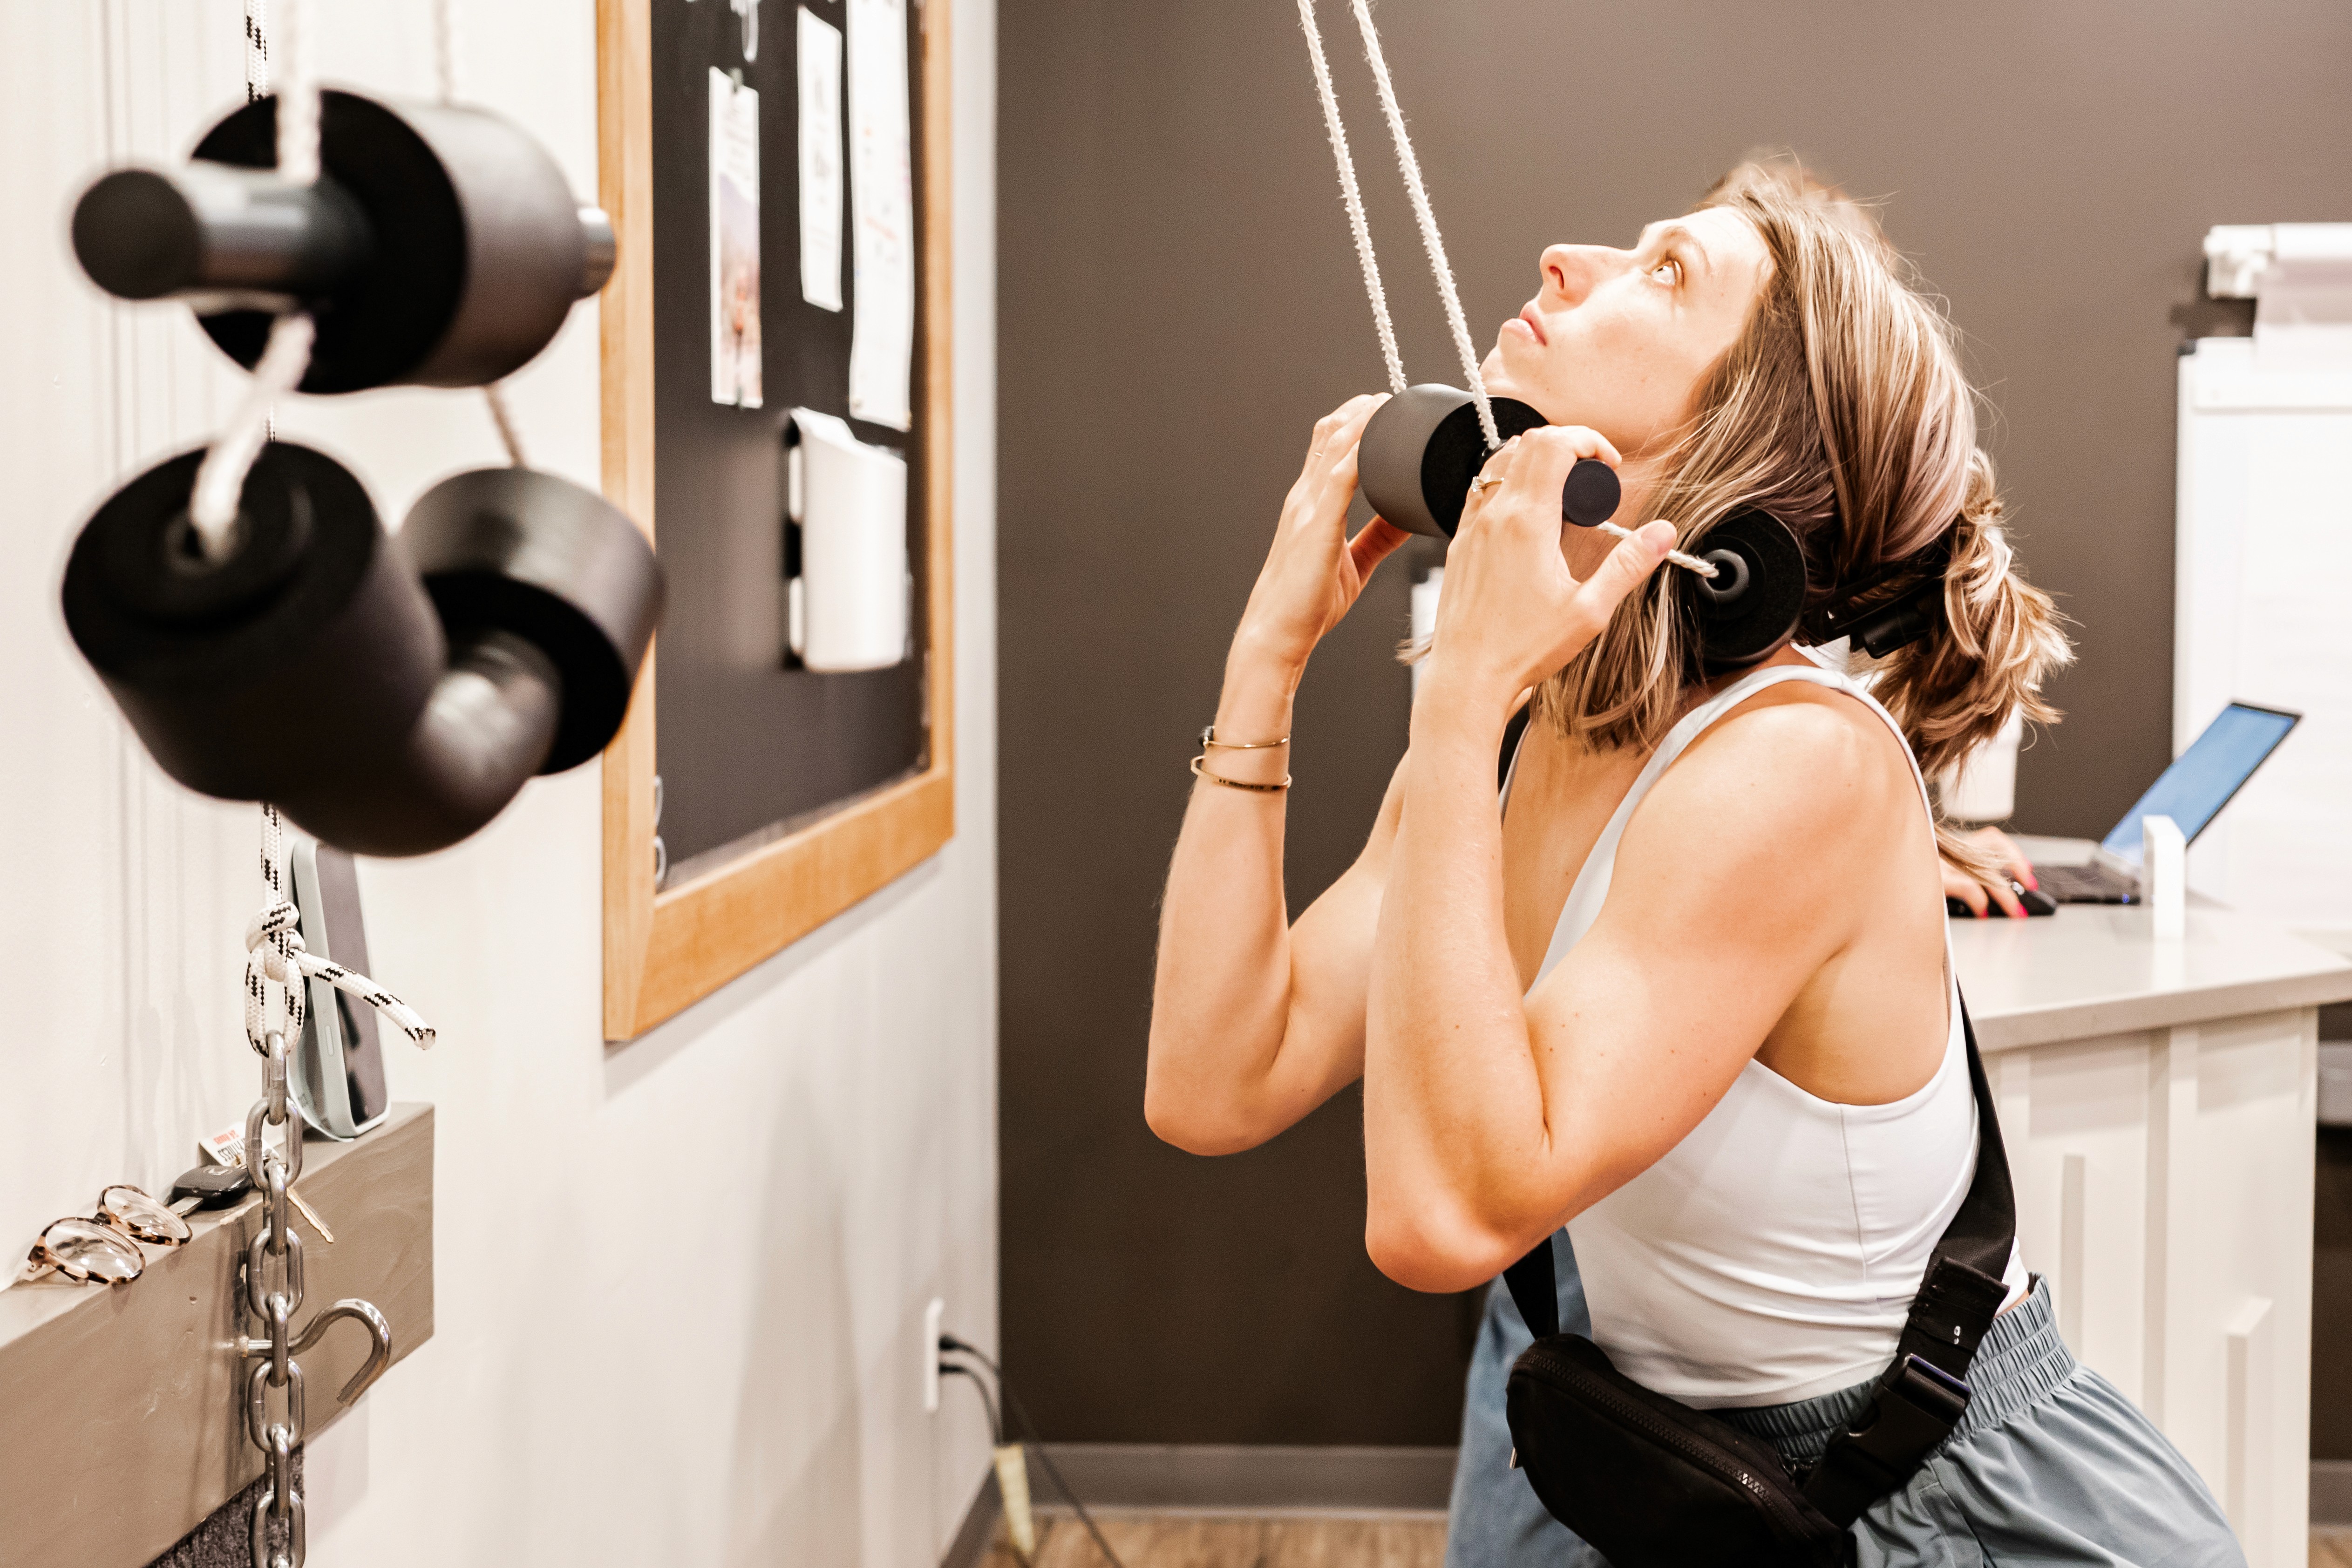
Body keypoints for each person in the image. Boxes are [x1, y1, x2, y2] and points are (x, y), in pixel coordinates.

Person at [1145, 162, 2243, 1565]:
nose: (1560, 255)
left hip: (1908, 1491)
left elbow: (1438, 1217)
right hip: (1625, 1433)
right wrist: (1268, 657)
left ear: (1743, 441)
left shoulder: (1795, 763)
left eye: (1665, 272)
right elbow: (1213, 1078)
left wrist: (1461, 688)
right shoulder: (1520, 731)